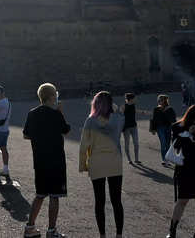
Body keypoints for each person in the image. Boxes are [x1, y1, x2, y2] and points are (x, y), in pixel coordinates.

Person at [23, 83, 70, 238]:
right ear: (51, 96)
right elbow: (66, 130)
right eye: (55, 94)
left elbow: (26, 135)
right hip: (56, 160)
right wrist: (61, 112)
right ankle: (51, 230)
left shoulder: (32, 113)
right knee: (55, 196)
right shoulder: (56, 113)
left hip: (40, 160)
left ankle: (30, 227)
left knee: (40, 194)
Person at [79, 91, 125, 238]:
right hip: (114, 162)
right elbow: (120, 112)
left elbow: (83, 146)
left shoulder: (90, 121)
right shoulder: (118, 118)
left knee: (100, 201)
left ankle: (102, 235)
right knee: (116, 200)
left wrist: (83, 165)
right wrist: (114, 106)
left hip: (97, 162)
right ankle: (118, 234)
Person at [166, 105, 195, 238]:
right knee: (182, 201)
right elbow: (175, 145)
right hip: (185, 169)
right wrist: (186, 135)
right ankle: (172, 231)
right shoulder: (177, 127)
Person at [150, 95, 176, 166]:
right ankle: (164, 160)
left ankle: (167, 159)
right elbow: (154, 120)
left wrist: (174, 128)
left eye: (161, 100)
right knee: (163, 143)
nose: (159, 101)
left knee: (168, 144)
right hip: (159, 128)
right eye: (159, 100)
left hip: (168, 127)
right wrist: (153, 129)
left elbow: (174, 119)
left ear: (164, 100)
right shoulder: (156, 109)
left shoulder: (170, 109)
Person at [122, 92, 142, 165]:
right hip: (126, 128)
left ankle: (136, 159)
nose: (135, 99)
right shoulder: (124, 107)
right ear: (130, 99)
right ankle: (129, 159)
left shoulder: (133, 105)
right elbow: (120, 116)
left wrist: (143, 112)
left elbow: (135, 111)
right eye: (134, 98)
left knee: (136, 143)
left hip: (134, 126)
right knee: (127, 144)